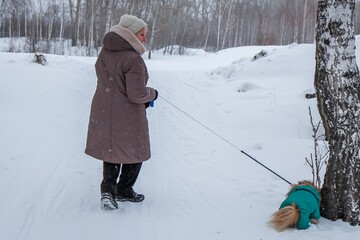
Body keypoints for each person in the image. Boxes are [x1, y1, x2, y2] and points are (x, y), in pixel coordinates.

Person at [85, 14, 158, 210]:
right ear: (132, 34)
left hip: (103, 109)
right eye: (142, 34)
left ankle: (108, 192)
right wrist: (153, 94)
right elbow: (137, 94)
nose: (145, 38)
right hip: (127, 114)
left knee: (111, 150)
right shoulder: (133, 59)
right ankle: (124, 189)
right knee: (136, 150)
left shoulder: (105, 52)